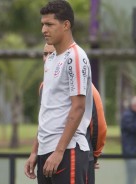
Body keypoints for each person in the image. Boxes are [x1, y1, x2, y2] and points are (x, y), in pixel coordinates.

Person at [24, 1, 93, 184]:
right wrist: (34, 151)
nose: (43, 30)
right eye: (42, 25)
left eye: (49, 24)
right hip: (46, 151)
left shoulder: (76, 57)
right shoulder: (51, 58)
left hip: (66, 151)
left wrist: (59, 151)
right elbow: (47, 110)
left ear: (66, 25)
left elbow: (78, 108)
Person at [35, 44, 107, 184]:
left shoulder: (86, 86)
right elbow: (44, 120)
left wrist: (93, 155)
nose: (47, 58)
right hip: (46, 151)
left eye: (52, 53)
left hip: (76, 152)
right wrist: (35, 152)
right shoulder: (44, 86)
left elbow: (99, 125)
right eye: (45, 54)